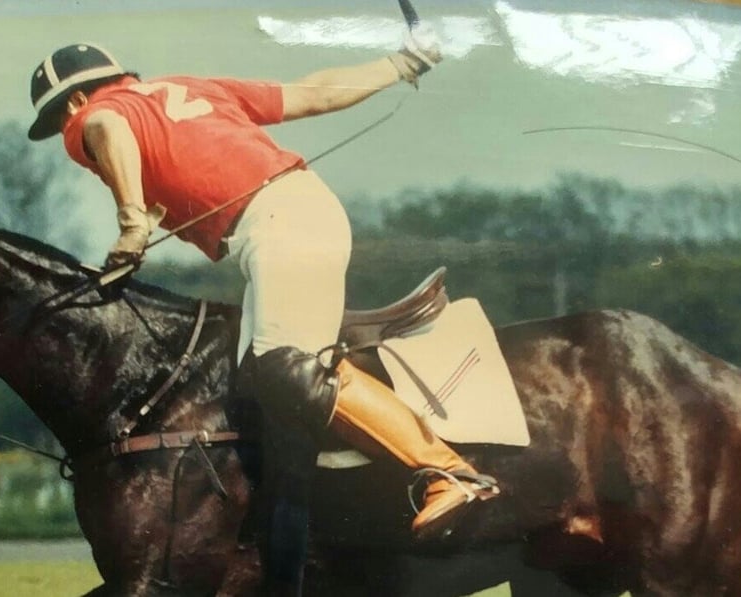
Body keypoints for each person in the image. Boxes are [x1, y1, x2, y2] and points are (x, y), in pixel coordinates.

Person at [26, 34, 499, 584]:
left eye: (65, 124)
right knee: (257, 383)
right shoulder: (192, 88)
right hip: (290, 212)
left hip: (276, 222)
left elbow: (105, 128)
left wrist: (132, 221)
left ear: (74, 103)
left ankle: (448, 471)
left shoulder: (96, 116)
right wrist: (399, 63)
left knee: (284, 364)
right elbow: (315, 93)